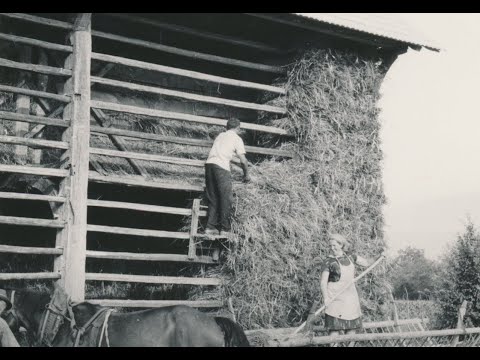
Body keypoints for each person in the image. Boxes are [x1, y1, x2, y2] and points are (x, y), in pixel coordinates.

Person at [305, 233, 385, 336]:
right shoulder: (328, 262)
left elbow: (367, 262)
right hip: (334, 299)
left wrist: (380, 256)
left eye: (334, 245)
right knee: (334, 331)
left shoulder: (351, 257)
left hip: (350, 299)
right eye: (330, 246)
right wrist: (326, 298)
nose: (332, 248)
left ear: (341, 245)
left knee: (351, 330)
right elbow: (323, 282)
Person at [204, 118, 250, 236]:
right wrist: (247, 175)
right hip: (221, 168)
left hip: (209, 165)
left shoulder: (220, 136)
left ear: (227, 127)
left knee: (213, 198)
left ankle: (210, 228)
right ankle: (225, 229)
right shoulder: (237, 139)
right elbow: (243, 161)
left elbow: (226, 154)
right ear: (238, 128)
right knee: (226, 198)